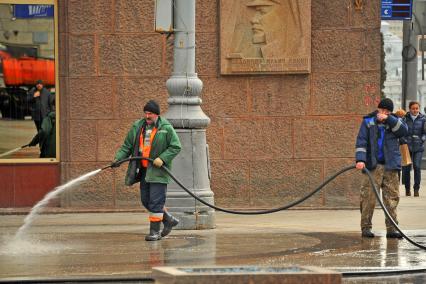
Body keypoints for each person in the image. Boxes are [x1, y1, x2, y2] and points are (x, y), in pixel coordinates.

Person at [113, 100, 182, 241]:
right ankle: (168, 220)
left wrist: (162, 158)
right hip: (144, 170)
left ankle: (154, 232)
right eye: (145, 113)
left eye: (150, 113)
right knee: (146, 201)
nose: (147, 116)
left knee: (156, 202)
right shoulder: (138, 126)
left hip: (158, 171)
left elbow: (176, 146)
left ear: (157, 114)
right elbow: (127, 146)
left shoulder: (166, 128)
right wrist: (118, 159)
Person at [355, 98, 408, 239]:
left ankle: (392, 229)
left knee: (391, 198)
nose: (383, 113)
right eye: (381, 110)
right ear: (378, 108)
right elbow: (361, 141)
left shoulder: (395, 121)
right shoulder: (368, 121)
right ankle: (366, 227)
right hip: (372, 166)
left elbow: (403, 132)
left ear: (390, 112)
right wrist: (360, 159)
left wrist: (389, 119)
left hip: (391, 166)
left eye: (387, 111)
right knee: (368, 197)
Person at [228, 0, 303, 59]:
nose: (254, 20)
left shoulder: (298, 50)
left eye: (262, 12)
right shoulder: (243, 51)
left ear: (285, 14)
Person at [401, 101, 426, 197]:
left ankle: (416, 189)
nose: (415, 110)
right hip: (407, 147)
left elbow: (425, 133)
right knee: (406, 169)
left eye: (417, 108)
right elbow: (401, 132)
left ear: (419, 109)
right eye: (413, 108)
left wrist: (421, 140)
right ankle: (407, 189)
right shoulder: (404, 119)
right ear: (409, 109)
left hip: (418, 147)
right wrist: (404, 140)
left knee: (417, 166)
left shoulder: (423, 119)